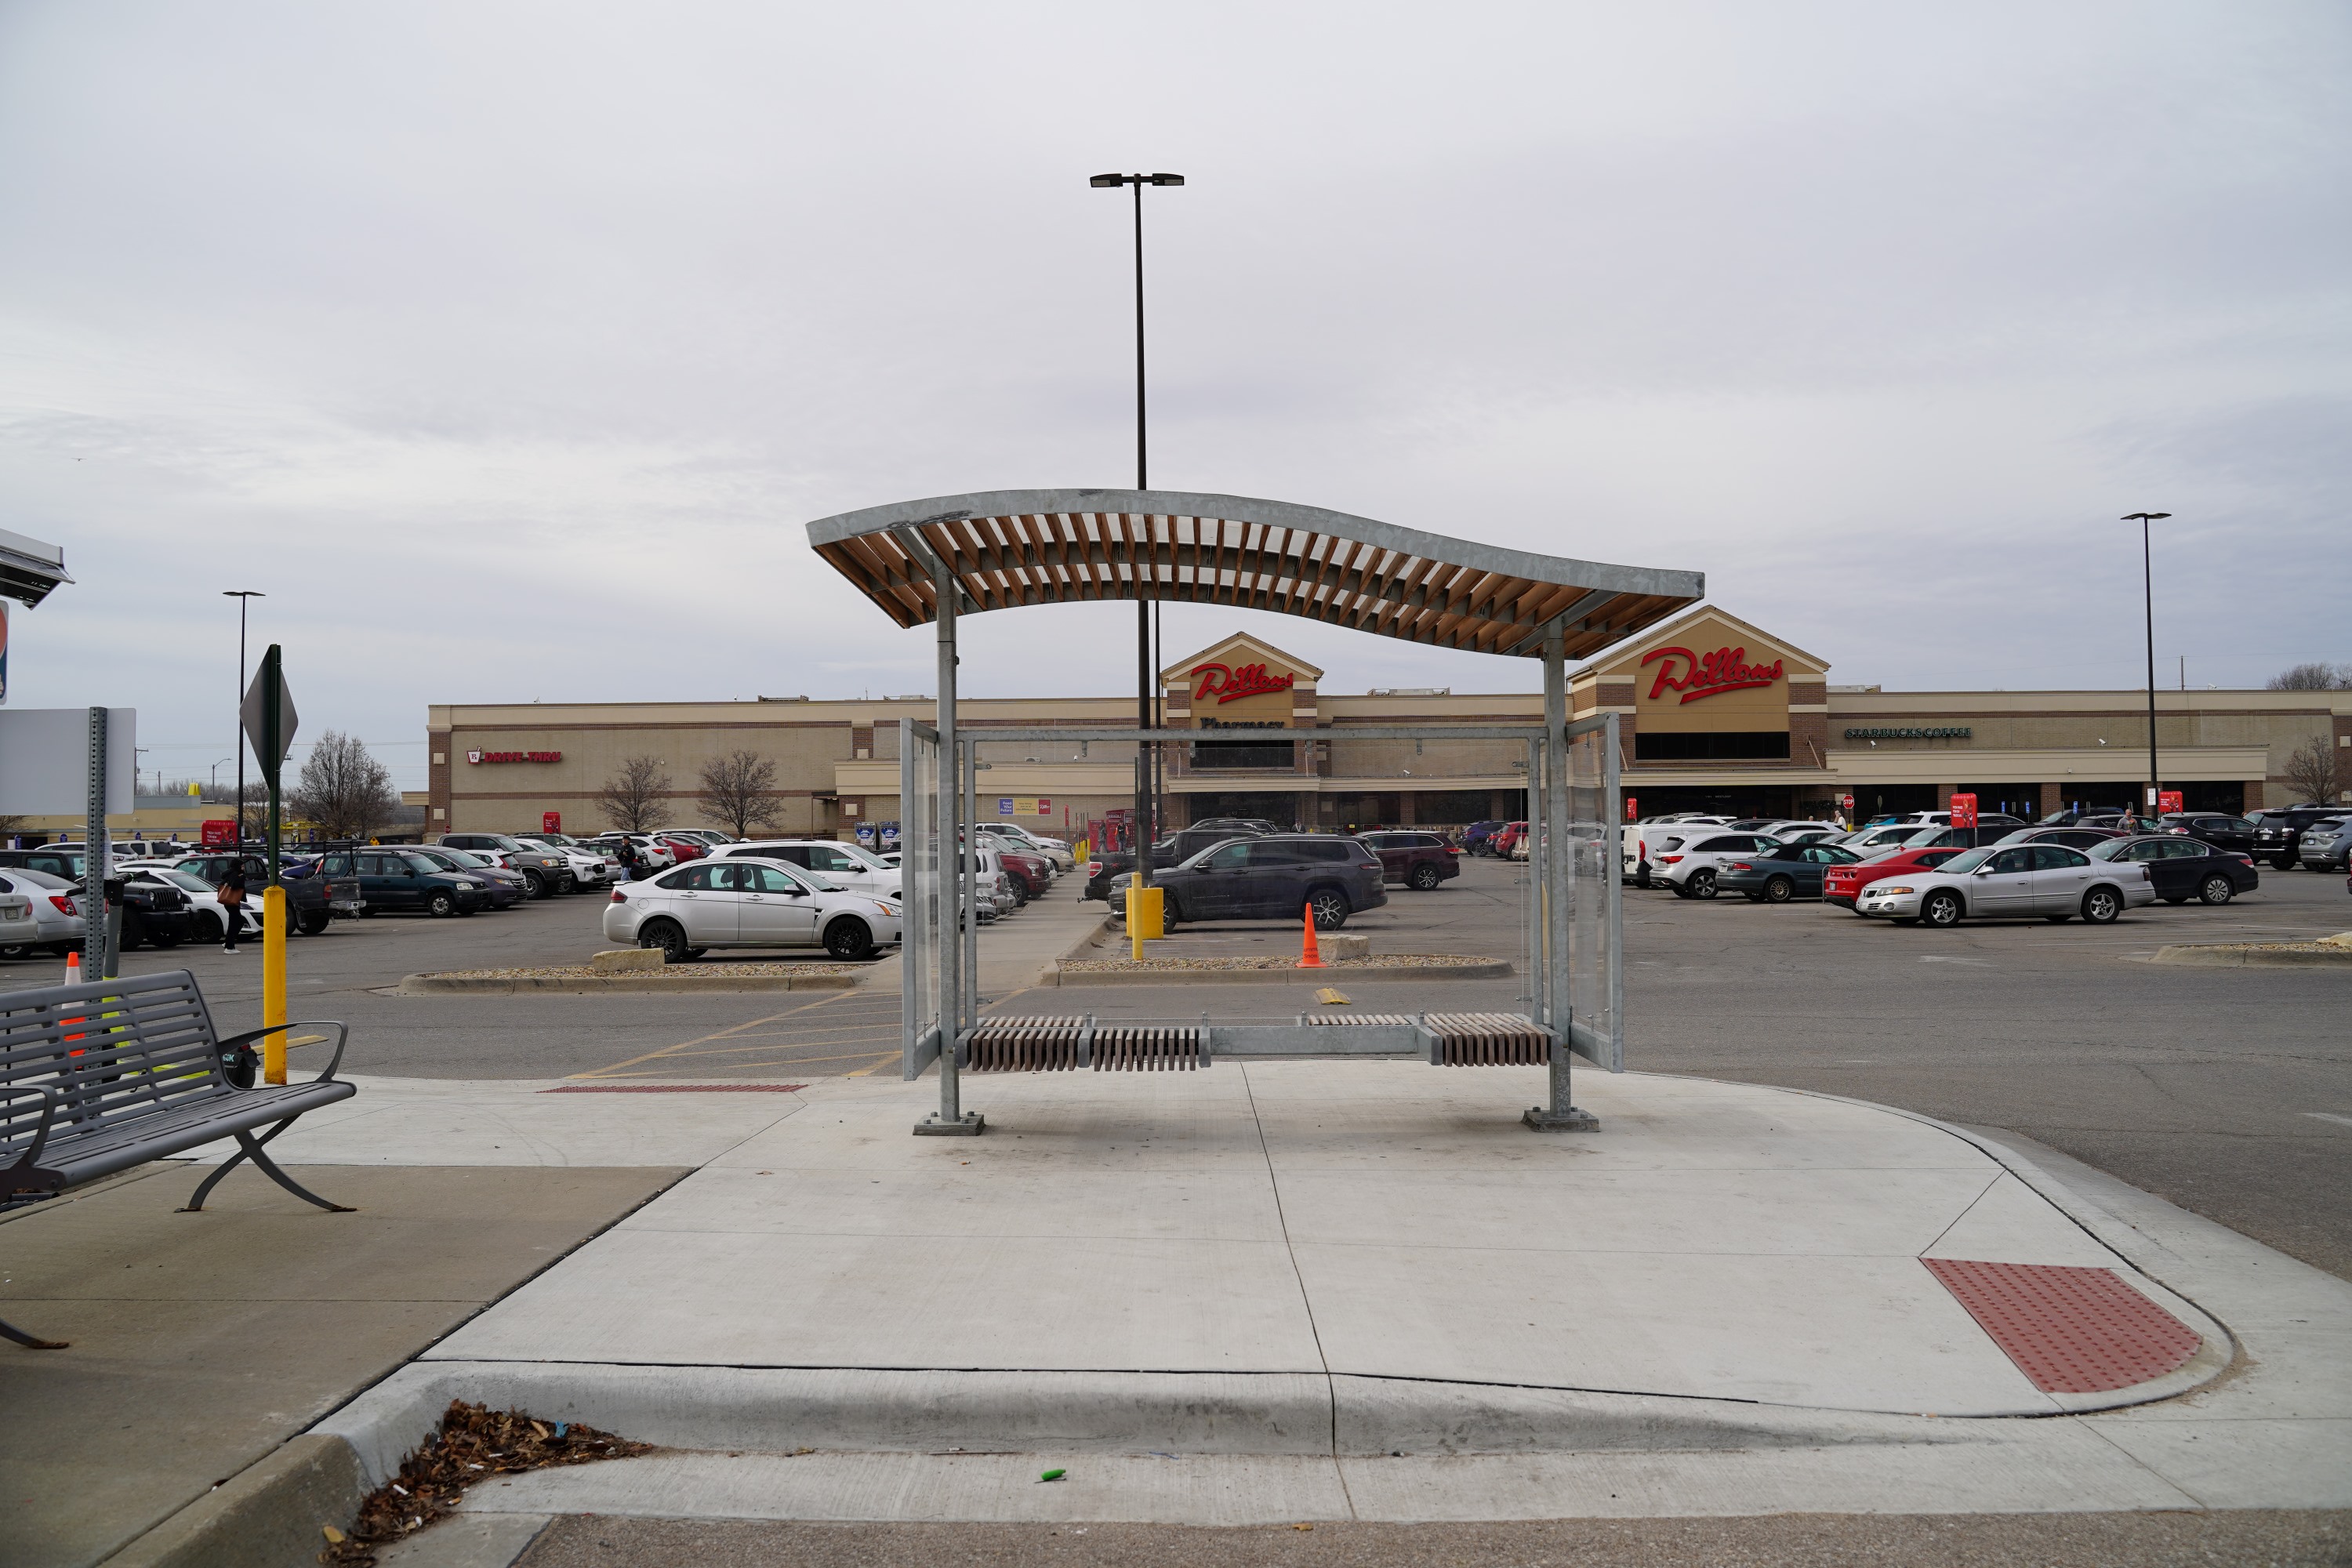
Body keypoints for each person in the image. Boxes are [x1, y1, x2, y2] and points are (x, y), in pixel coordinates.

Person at [217, 858, 247, 953]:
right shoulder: (235, 874)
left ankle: (228, 943)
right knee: (235, 923)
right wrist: (242, 877)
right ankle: (229, 947)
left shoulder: (230, 873)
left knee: (237, 922)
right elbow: (235, 885)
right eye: (242, 866)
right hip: (232, 902)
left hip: (231, 902)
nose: (244, 867)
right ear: (237, 866)